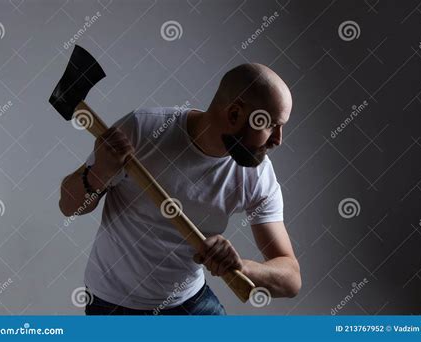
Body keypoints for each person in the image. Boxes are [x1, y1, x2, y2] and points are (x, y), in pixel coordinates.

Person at [59, 63, 302, 315]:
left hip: (189, 302)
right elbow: (68, 206)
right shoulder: (142, 130)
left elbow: (291, 278)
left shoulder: (257, 174)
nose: (278, 140)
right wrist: (101, 172)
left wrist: (241, 266)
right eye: (271, 125)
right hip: (112, 304)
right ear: (234, 114)